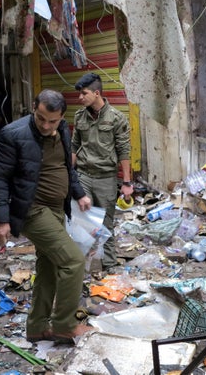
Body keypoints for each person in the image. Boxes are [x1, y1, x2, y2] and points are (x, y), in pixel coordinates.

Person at [0, 89, 92, 343]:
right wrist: (0, 220)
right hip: (32, 211)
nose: (46, 125)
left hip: (57, 208)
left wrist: (79, 194)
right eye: (41, 118)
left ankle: (36, 327)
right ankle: (65, 325)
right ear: (34, 107)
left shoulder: (64, 130)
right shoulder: (13, 134)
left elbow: (66, 167)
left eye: (52, 121)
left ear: (61, 117)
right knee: (73, 261)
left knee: (48, 268)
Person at [71, 72, 133, 273]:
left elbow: (124, 150)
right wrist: (70, 176)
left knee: (106, 223)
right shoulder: (79, 116)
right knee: (81, 222)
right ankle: (80, 265)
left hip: (106, 177)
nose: (80, 98)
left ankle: (109, 264)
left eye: (84, 94)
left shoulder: (117, 118)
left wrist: (127, 182)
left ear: (96, 93)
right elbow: (74, 147)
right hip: (84, 175)